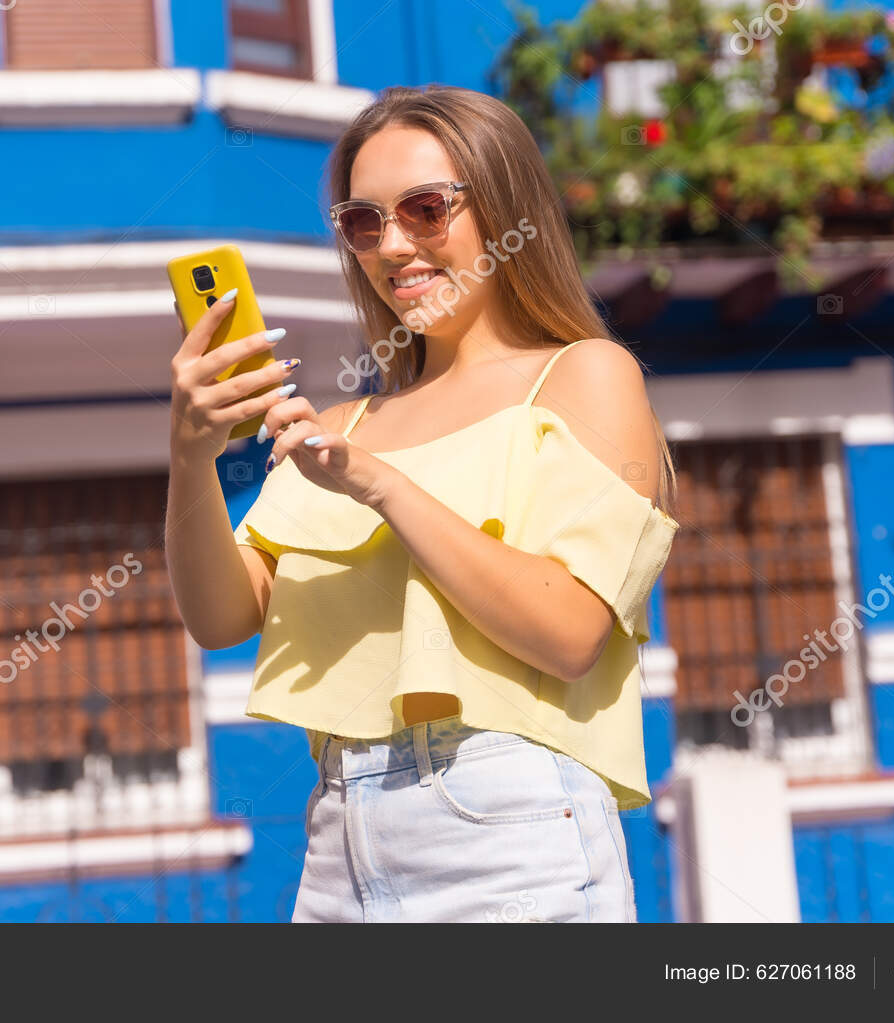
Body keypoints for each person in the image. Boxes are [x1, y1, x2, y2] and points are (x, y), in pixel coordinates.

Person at [165, 84, 678, 922]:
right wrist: (189, 453)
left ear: (506, 208)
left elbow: (571, 631)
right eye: (364, 222)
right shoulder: (342, 424)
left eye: (425, 208)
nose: (393, 244)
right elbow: (222, 617)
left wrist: (379, 484)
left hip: (505, 824)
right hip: (339, 839)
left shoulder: (583, 374)